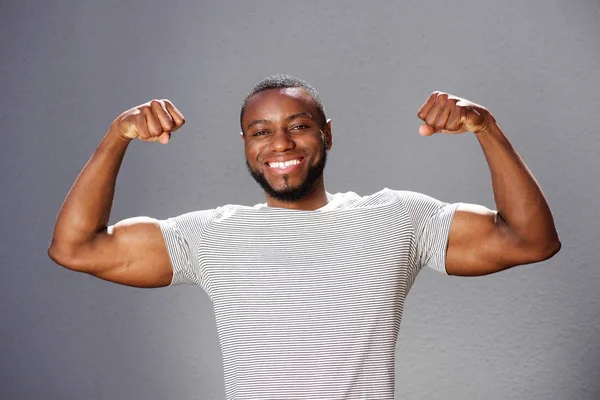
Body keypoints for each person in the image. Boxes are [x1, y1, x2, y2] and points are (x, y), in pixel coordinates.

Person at [48, 74, 560, 399]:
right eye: (261, 132)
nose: (281, 144)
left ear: (327, 134)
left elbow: (530, 240)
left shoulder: (398, 218)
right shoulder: (210, 236)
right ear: (246, 145)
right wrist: (118, 135)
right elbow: (76, 247)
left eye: (298, 126)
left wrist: (485, 128)